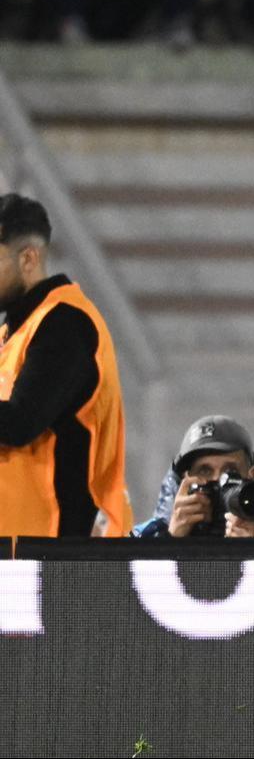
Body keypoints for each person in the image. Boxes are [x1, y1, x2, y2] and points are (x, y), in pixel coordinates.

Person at [0, 194, 131, 536]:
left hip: (53, 551)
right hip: (18, 548)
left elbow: (19, 423)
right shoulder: (12, 331)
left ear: (28, 258)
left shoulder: (65, 323)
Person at [131, 414, 254, 539]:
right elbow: (119, 596)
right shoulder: (145, 537)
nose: (218, 481)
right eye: (204, 471)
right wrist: (168, 541)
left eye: (230, 471)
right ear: (184, 479)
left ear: (251, 475)